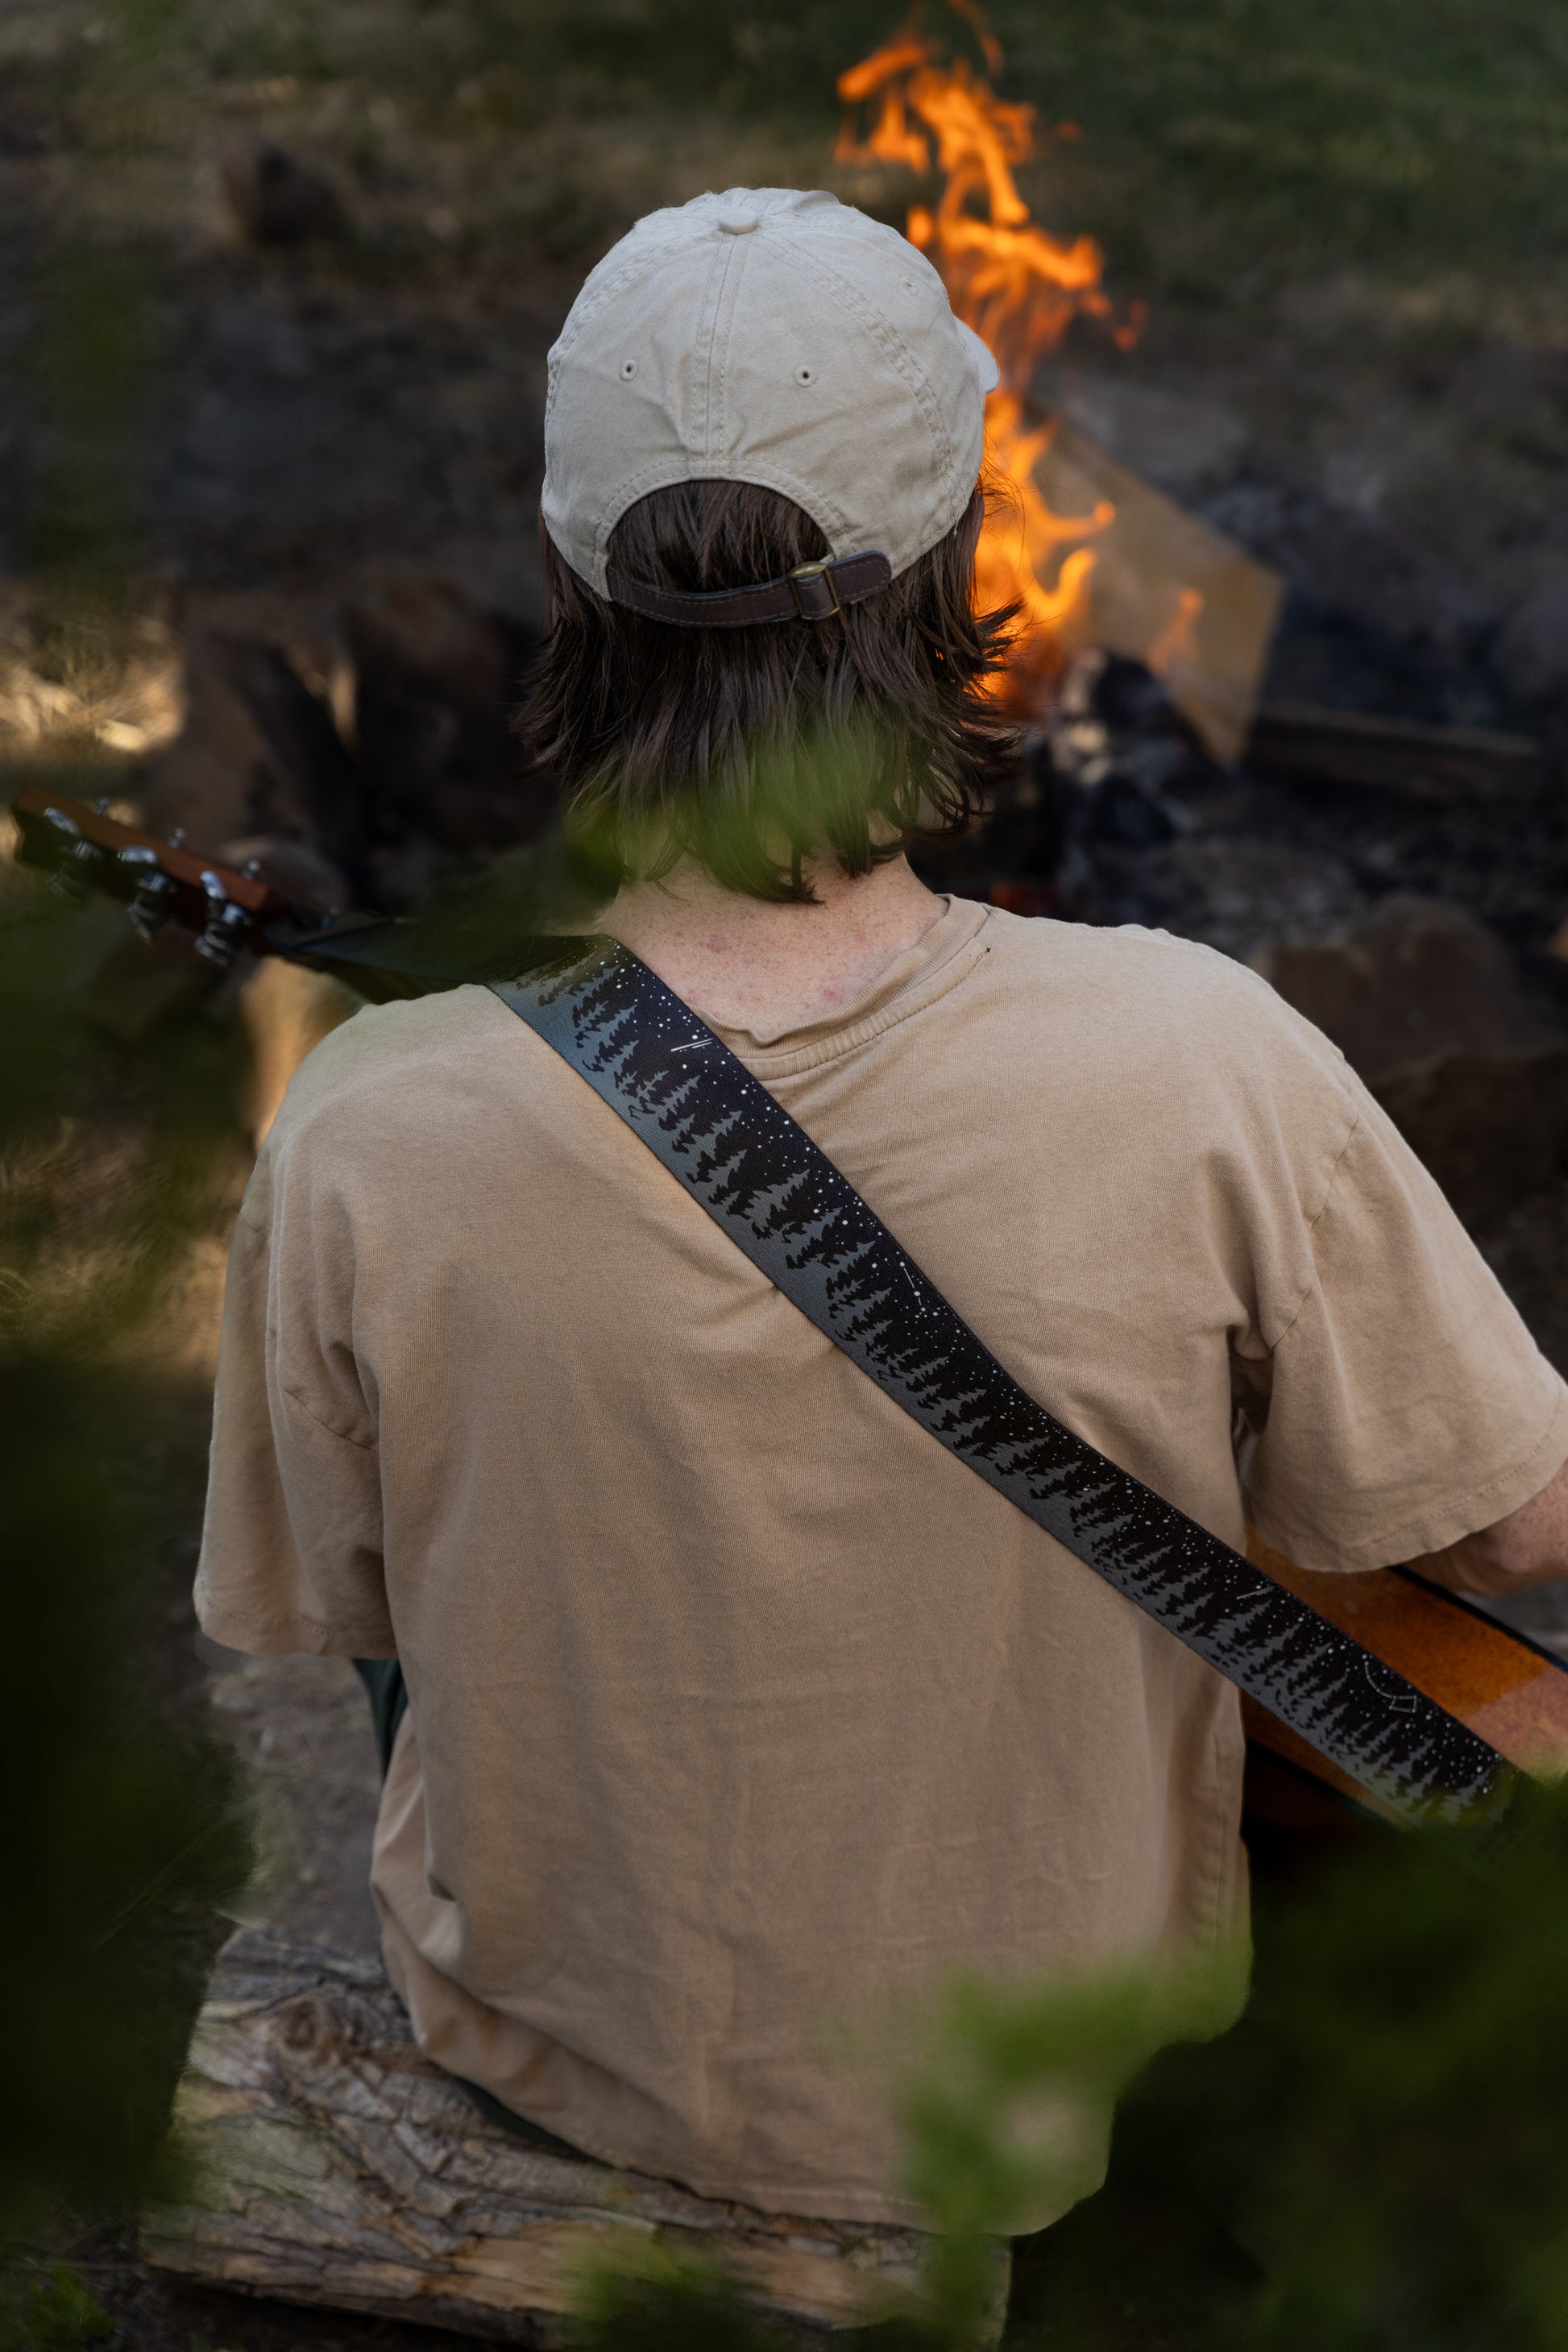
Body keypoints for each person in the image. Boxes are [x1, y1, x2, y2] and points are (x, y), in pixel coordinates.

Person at [195, 186, 1568, 2234]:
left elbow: (345, 1613)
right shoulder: (1202, 1058)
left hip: (545, 2045)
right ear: (952, 577)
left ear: (575, 593)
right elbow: (1518, 1527)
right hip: (1036, 2107)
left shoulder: (366, 1121)